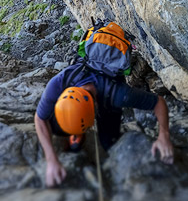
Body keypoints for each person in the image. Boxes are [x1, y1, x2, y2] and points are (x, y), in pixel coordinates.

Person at [34, 60, 174, 187]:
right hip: (88, 85)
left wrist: (164, 136)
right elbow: (40, 118)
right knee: (53, 126)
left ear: (95, 110)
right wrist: (51, 160)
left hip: (109, 99)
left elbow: (158, 102)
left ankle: (83, 128)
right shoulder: (59, 82)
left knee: (108, 143)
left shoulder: (120, 95)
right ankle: (76, 131)